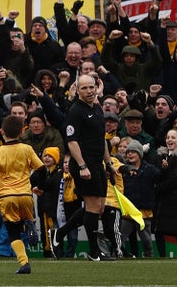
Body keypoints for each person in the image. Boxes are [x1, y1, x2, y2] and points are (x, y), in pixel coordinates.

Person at [49, 74, 117, 261]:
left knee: (99, 207)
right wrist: (82, 166)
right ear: (77, 90)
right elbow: (72, 142)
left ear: (96, 88)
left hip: (97, 163)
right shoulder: (75, 111)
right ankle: (94, 252)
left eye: (91, 87)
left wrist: (109, 164)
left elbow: (101, 139)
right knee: (93, 206)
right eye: (84, 88)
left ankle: (59, 234)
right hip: (84, 163)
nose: (89, 91)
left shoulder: (97, 108)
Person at [0, 115, 43, 274]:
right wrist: (36, 184)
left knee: (12, 231)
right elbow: (42, 170)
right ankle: (29, 222)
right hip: (25, 194)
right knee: (24, 218)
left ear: (1, 131)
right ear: (22, 132)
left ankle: (24, 262)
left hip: (6, 196)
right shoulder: (27, 149)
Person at [153, 128, 177, 257]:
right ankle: (162, 256)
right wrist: (164, 169)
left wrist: (159, 188)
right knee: (158, 229)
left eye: (173, 137)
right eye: (168, 137)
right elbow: (159, 175)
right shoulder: (161, 156)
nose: (169, 140)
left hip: (176, 198)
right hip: (162, 199)